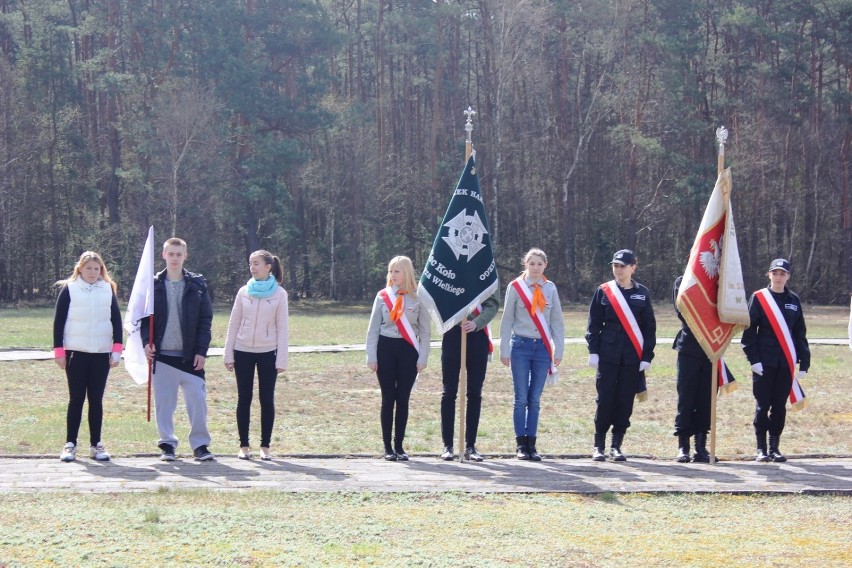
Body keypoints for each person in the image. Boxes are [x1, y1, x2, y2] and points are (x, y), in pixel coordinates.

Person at [141, 237, 214, 462]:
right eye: (170, 254)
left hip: (190, 356)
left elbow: (205, 320)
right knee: (164, 405)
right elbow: (143, 318)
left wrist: (201, 351)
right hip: (162, 357)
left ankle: (200, 446)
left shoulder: (198, 285)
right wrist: (146, 342)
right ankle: (167, 445)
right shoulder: (152, 285)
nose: (174, 258)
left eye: (178, 254)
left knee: (198, 403)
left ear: (185, 256)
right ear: (163, 255)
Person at [586, 249, 656, 462]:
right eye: (615, 265)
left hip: (632, 357)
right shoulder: (604, 291)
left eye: (622, 266)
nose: (618, 269)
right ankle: (599, 444)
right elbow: (594, 323)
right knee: (605, 399)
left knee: (625, 400)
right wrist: (594, 351)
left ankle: (617, 445)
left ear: (633, 267)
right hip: (608, 354)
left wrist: (647, 356)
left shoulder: (642, 293)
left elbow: (649, 328)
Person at [53, 251, 123, 462]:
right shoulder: (70, 289)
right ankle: (70, 444)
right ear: (80, 269)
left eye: (97, 268)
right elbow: (59, 322)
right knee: (76, 399)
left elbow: (116, 322)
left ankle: (96, 444)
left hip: (101, 354)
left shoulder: (107, 289)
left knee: (96, 400)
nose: (93, 272)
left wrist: (117, 350)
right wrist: (59, 351)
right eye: (88, 268)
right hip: (75, 354)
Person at [741, 258, 810, 462]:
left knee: (779, 406)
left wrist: (804, 360)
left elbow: (800, 332)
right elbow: (749, 330)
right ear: (769, 274)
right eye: (775, 273)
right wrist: (753, 359)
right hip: (764, 362)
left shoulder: (794, 300)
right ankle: (761, 449)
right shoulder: (759, 298)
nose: (778, 277)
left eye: (783, 274)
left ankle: (775, 447)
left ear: (788, 276)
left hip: (785, 363)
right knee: (763, 405)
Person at [500, 248, 564, 461]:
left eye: (539, 264)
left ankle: (532, 444)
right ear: (525, 265)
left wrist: (559, 349)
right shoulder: (515, 287)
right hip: (520, 346)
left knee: (535, 398)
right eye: (531, 263)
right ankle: (520, 444)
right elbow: (507, 320)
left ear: (545, 265)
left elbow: (556, 321)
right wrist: (504, 349)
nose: (535, 268)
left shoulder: (550, 288)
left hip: (542, 349)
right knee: (521, 398)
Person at [224, 250, 289, 461]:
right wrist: (228, 353)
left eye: (257, 263)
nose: (253, 267)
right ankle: (243, 445)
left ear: (268, 266)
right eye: (251, 263)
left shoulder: (280, 294)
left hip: (268, 353)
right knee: (244, 399)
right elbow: (233, 323)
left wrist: (282, 359)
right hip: (242, 351)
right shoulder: (244, 291)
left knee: (266, 399)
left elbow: (283, 328)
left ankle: (265, 446)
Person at [365, 256, 431, 461]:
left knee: (402, 399)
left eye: (397, 272)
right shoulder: (382, 296)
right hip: (385, 348)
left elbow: (425, 331)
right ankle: (387, 448)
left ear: (407, 273)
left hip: (408, 350)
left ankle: (399, 446)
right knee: (388, 398)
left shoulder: (419, 297)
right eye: (391, 271)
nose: (393, 276)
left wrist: (423, 357)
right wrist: (371, 356)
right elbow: (373, 329)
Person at [439, 288, 500, 462]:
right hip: (452, 332)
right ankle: (448, 446)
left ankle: (470, 446)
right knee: (449, 392)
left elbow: (492, 304)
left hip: (477, 334)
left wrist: (477, 323)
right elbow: (439, 298)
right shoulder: (450, 268)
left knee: (474, 392)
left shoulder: (486, 270)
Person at [671, 275, 713, 463]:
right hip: (689, 347)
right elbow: (682, 311)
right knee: (686, 397)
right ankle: (683, 446)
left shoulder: (718, 282)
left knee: (706, 398)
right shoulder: (683, 281)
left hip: (711, 347)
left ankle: (701, 447)